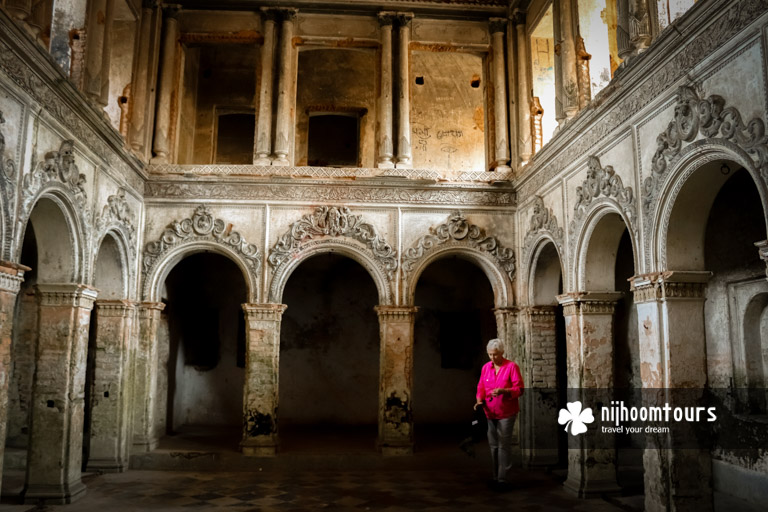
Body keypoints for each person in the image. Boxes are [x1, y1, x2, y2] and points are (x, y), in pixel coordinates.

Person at [474, 338, 524, 491]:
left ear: (502, 353)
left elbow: (519, 389)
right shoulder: (486, 368)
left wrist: (504, 391)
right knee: (493, 445)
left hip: (506, 412)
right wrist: (478, 400)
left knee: (503, 445)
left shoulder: (511, 367)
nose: (493, 358)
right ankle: (495, 476)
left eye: (495, 354)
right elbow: (481, 386)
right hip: (489, 411)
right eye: (490, 355)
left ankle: (503, 478)